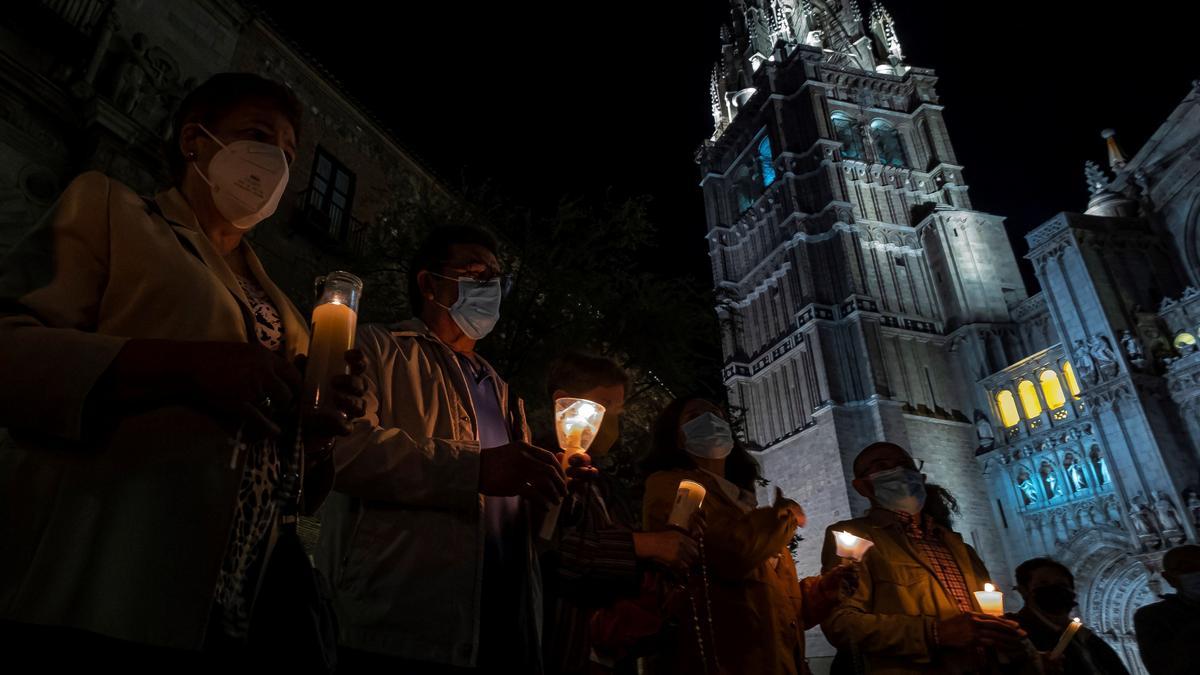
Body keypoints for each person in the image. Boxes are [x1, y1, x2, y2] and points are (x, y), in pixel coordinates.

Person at [0, 73, 364, 670]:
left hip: (230, 609)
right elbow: (11, 354)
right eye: (257, 136)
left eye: (291, 155)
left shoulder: (295, 318)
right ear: (195, 141)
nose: (276, 163)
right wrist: (182, 367)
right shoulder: (112, 209)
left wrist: (316, 441)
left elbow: (289, 488)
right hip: (105, 578)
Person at [315, 225, 568, 674]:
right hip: (398, 627)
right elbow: (346, 453)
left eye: (496, 278)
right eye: (474, 272)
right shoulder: (378, 348)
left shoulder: (504, 393)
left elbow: (511, 518)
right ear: (429, 284)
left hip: (501, 631)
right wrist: (476, 469)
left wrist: (551, 485)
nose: (488, 287)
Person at [641, 396, 852, 675]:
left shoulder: (745, 503)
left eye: (716, 413)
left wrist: (822, 593)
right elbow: (728, 554)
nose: (710, 420)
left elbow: (773, 610)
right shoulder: (670, 485)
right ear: (677, 438)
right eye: (695, 415)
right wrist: (782, 518)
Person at [538, 352, 702, 675]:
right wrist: (647, 545)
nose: (612, 419)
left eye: (617, 409)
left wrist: (672, 544)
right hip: (557, 649)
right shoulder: (537, 469)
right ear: (565, 404)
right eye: (604, 404)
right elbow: (554, 551)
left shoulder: (605, 487)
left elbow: (620, 577)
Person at [820, 442, 1027, 674]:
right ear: (862, 487)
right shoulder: (853, 537)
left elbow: (987, 616)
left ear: (921, 477)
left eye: (905, 465)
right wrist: (934, 633)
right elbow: (841, 624)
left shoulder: (959, 547)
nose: (898, 471)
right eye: (881, 466)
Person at [1007, 558, 1127, 675]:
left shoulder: (1087, 638)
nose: (1054, 589)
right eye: (1043, 583)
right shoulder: (1014, 635)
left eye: (1061, 584)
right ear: (1024, 591)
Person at [1134, 544, 1200, 675]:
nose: (1197, 573)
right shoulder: (1152, 617)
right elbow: (1164, 666)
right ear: (1169, 578)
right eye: (1188, 569)